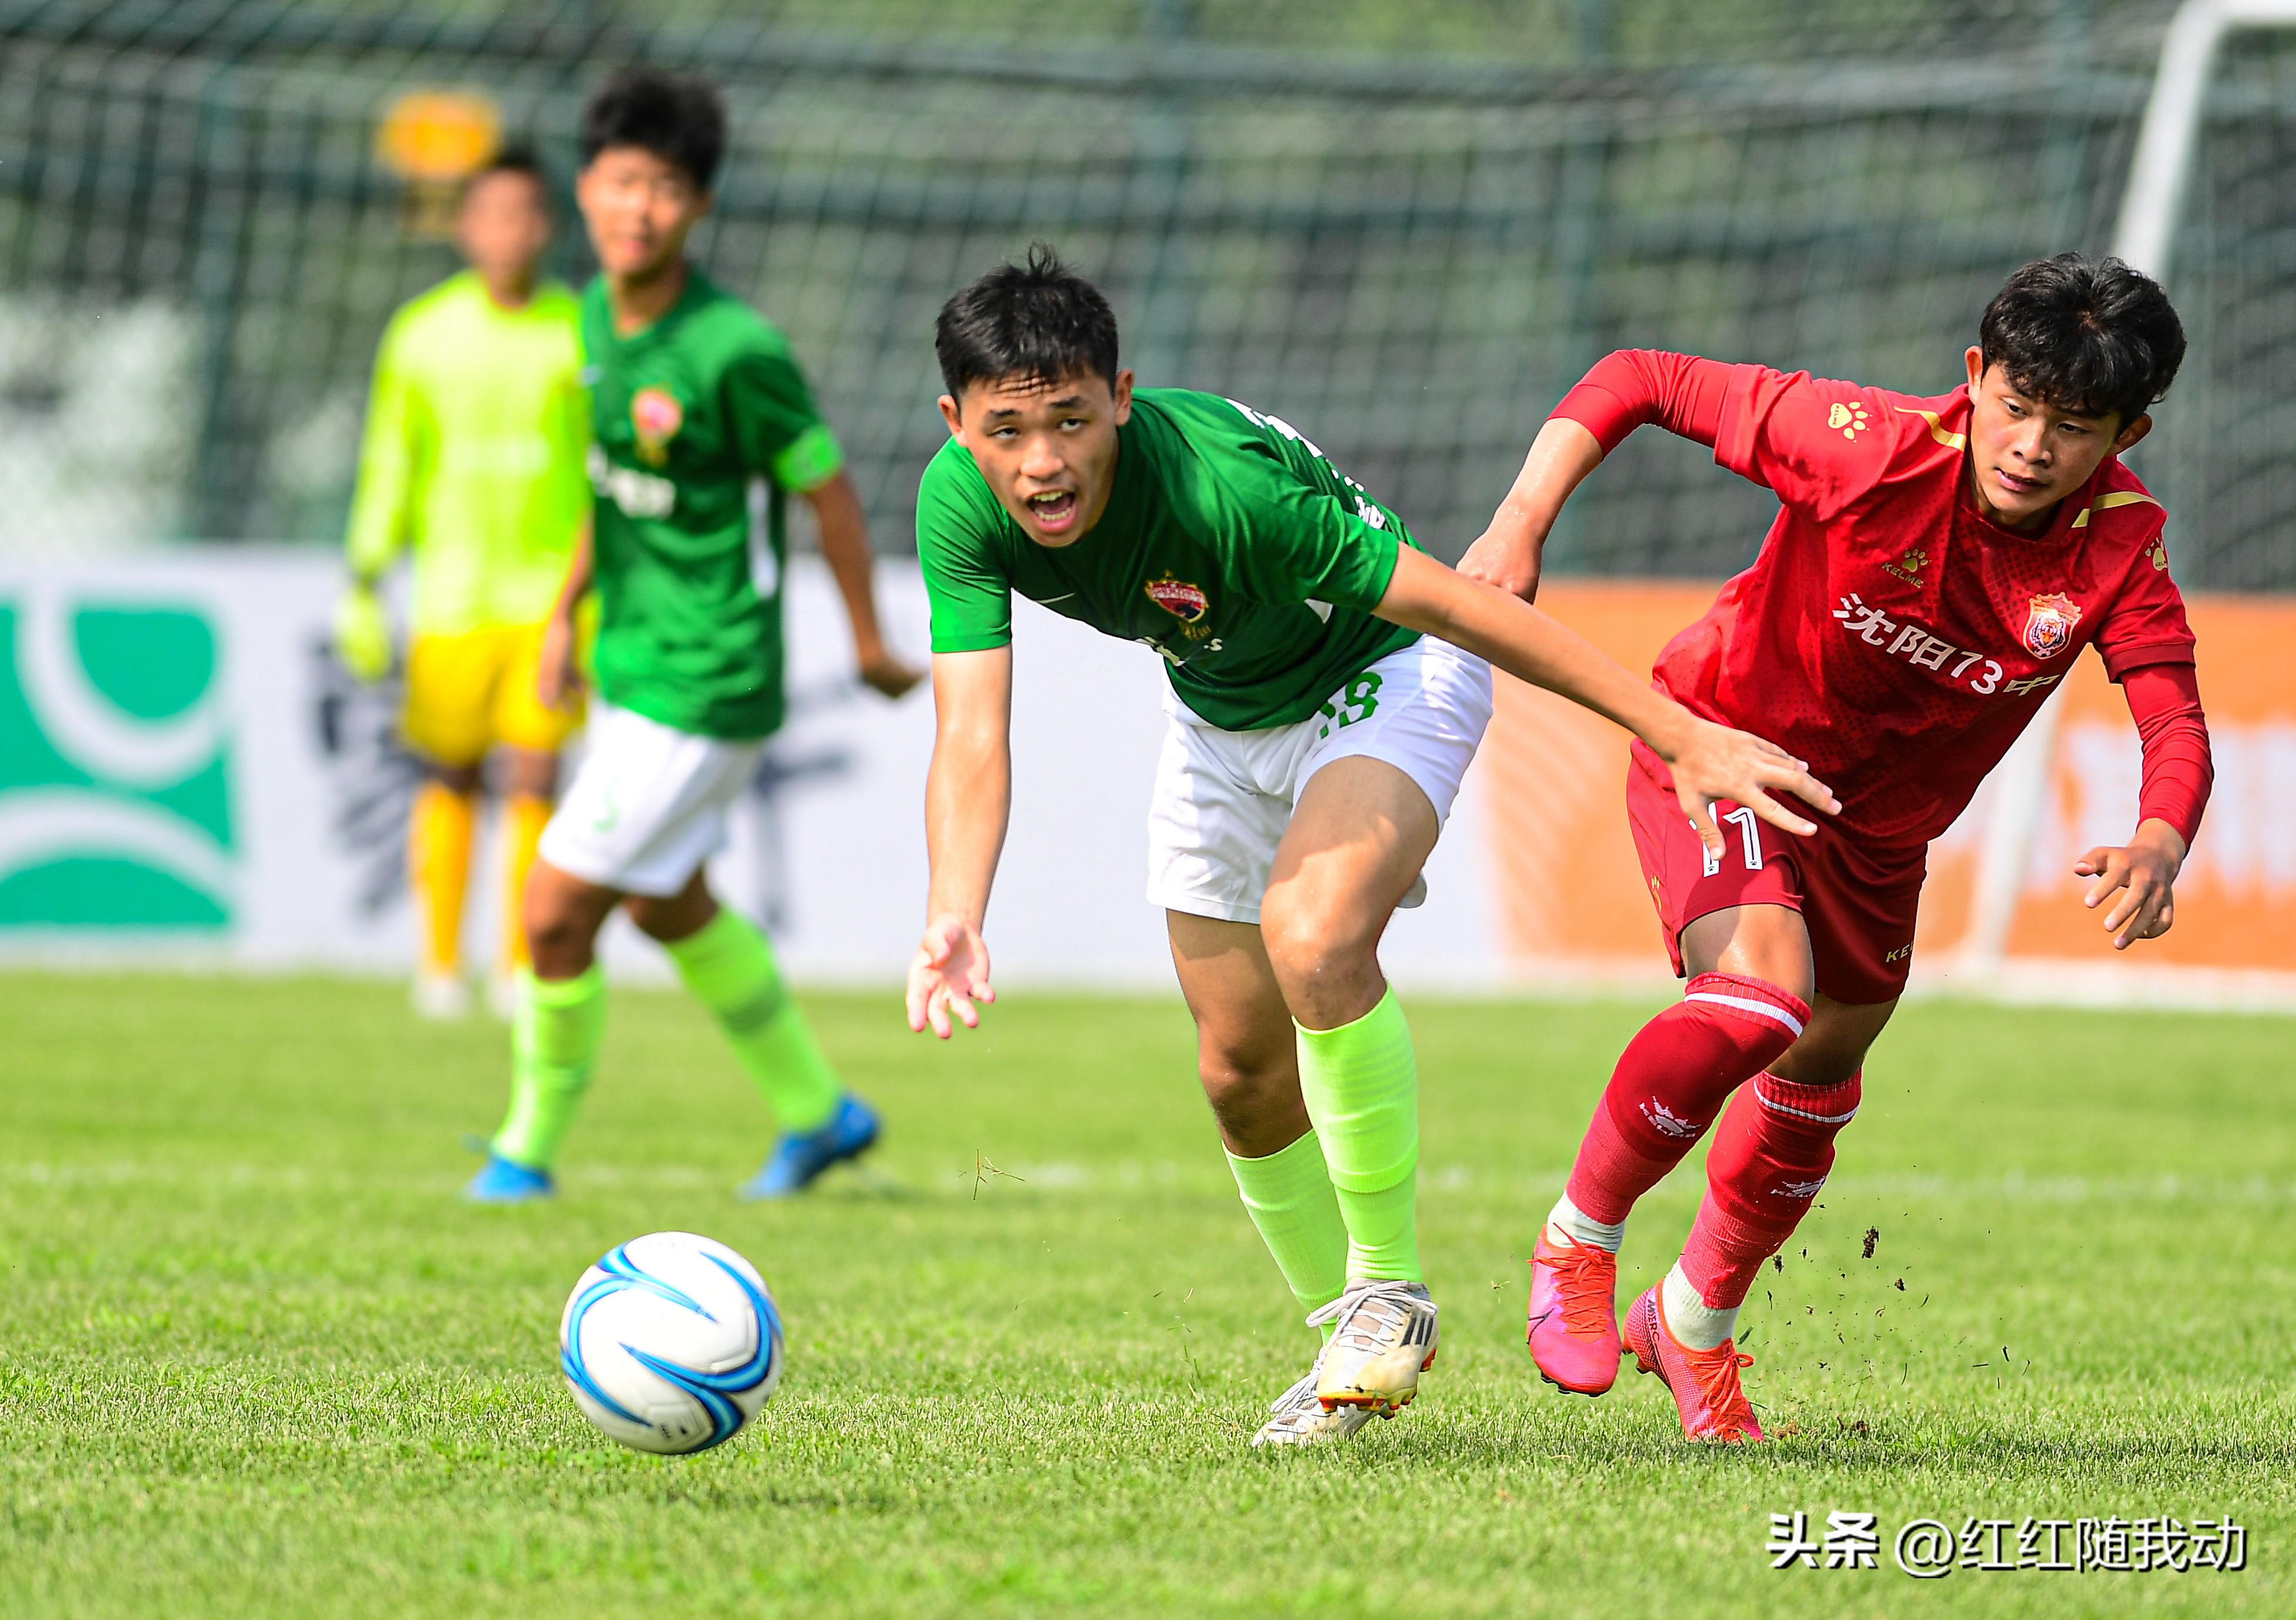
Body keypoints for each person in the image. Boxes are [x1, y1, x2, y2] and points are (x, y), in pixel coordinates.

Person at [905, 246, 1836, 1446]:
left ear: (1120, 399)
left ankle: (1391, 1288)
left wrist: (1679, 734)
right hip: (1216, 713)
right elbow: (971, 728)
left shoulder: (1231, 494)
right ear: (957, 423)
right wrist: (954, 908)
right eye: (1008, 430)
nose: (1042, 462)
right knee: (1236, 1069)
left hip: (1383, 677)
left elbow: (1456, 606)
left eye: (1071, 421)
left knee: (1313, 936)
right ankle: (1344, 1332)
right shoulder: (955, 501)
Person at [1469, 253, 2215, 1443]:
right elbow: (1636, 376)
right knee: (1757, 998)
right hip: (1721, 748)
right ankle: (1576, 1241)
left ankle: (1692, 1325)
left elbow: (2170, 713)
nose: (2027, 445)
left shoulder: (2117, 549)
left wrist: (2158, 839)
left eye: (2069, 428)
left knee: (1814, 1083)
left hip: (1874, 838)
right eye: (2012, 408)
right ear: (1972, 378)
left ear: (2127, 429)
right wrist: (1519, 520)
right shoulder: (1863, 443)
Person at [463, 68, 921, 1204]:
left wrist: (865, 639)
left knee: (553, 906)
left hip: (710, 676)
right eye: (621, 183)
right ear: (586, 190)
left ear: (698, 207)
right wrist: (570, 616)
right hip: (632, 665)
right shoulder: (588, 323)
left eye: (666, 189)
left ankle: (523, 1153)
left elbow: (828, 494)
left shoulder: (735, 350)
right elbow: (605, 487)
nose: (639, 209)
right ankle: (821, 1114)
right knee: (671, 903)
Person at [337, 149, 589, 1020]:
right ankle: (439, 966)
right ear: (465, 225)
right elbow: (388, 457)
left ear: (546, 227)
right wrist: (365, 575)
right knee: (448, 772)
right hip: (448, 595)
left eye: (525, 214)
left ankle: (520, 963)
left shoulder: (581, 330)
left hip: (550, 602)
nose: (507, 232)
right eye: (491, 214)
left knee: (534, 772)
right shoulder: (422, 332)